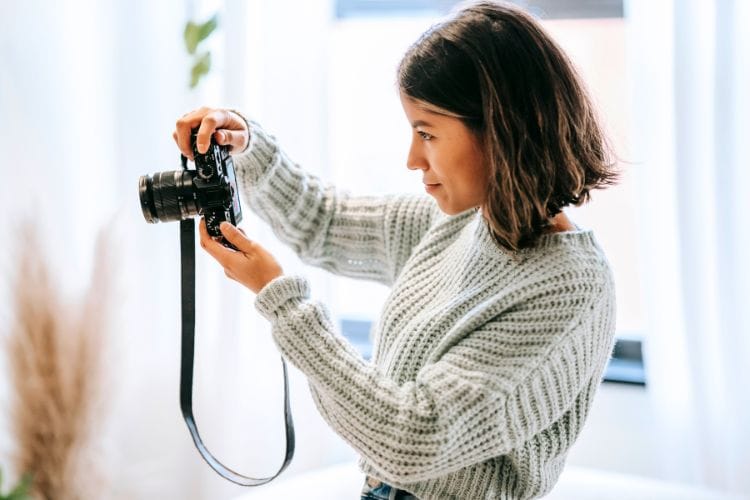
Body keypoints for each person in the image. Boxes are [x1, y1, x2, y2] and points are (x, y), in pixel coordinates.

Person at [173, 1, 618, 498]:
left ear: (502, 128)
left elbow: (413, 438)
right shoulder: (462, 224)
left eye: (427, 133)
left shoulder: (567, 287)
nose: (412, 159)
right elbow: (324, 222)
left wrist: (281, 300)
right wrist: (247, 144)